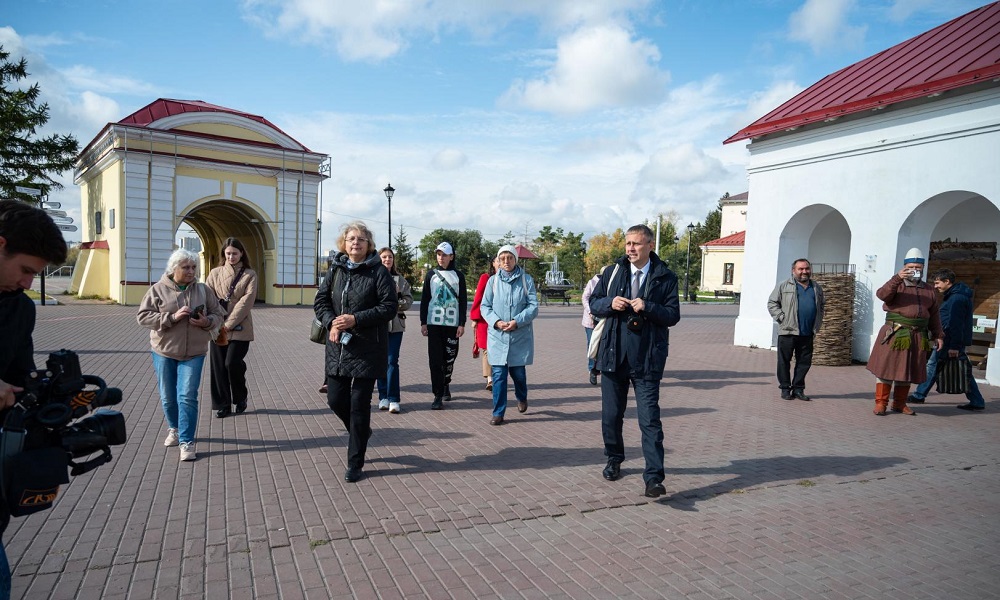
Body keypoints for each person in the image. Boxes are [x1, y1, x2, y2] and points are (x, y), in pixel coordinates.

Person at [0, 199, 68, 600]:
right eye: (26, 270)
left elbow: (20, 380)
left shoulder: (20, 309)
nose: (28, 283)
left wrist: (56, 402)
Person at [589, 224, 680, 498]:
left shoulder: (665, 277)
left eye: (636, 244)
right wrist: (609, 303)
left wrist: (648, 307)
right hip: (613, 356)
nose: (630, 248)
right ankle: (614, 459)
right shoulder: (612, 272)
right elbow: (593, 302)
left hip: (647, 359)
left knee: (650, 420)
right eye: (628, 243)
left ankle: (653, 478)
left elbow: (673, 315)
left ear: (650, 245)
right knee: (611, 416)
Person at [314, 222, 396, 482]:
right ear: (344, 243)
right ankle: (361, 432)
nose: (355, 243)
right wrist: (332, 322)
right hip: (338, 345)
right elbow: (321, 301)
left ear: (368, 244)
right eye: (351, 239)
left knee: (360, 404)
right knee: (336, 399)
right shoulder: (336, 269)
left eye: (361, 239)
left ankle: (355, 463)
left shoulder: (378, 272)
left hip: (368, 347)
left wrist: (355, 320)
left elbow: (389, 307)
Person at [137, 249, 225, 462]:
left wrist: (207, 322)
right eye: (186, 267)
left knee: (187, 395)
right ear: (173, 269)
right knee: (168, 396)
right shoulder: (157, 290)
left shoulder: (203, 290)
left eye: (194, 267)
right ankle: (174, 428)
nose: (191, 271)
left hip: (195, 352)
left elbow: (219, 314)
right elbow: (143, 317)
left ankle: (187, 441)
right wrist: (171, 317)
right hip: (164, 351)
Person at [866, 248, 944, 416]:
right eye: (911, 266)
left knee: (907, 370)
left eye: (918, 267)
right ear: (905, 267)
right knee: (887, 369)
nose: (915, 269)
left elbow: (935, 314)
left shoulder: (929, 289)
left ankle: (900, 404)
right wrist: (897, 278)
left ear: (923, 268)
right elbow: (882, 294)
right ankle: (881, 403)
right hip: (895, 333)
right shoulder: (897, 284)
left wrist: (938, 335)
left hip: (917, 335)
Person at [907, 269, 986, 411]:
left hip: (950, 341)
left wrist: (954, 346)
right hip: (948, 340)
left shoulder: (956, 299)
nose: (935, 286)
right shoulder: (955, 296)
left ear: (947, 281)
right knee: (938, 366)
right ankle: (920, 395)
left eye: (937, 283)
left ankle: (919, 395)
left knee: (954, 369)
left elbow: (956, 324)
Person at [481, 245, 539, 425]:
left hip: (519, 336)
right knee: (498, 375)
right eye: (502, 258)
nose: (506, 261)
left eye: (510, 258)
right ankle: (498, 412)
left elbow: (533, 306)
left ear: (515, 260)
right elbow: (485, 306)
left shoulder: (526, 280)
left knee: (518, 374)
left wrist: (517, 320)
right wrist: (496, 322)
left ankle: (522, 397)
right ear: (498, 260)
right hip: (498, 336)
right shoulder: (493, 281)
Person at [205, 237, 258, 418]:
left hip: (241, 326)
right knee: (218, 367)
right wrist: (217, 320)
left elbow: (246, 302)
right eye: (228, 253)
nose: (231, 256)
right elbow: (208, 297)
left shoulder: (249, 275)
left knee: (232, 363)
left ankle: (240, 396)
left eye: (235, 253)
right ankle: (223, 404)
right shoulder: (214, 273)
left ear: (241, 253)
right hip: (217, 326)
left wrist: (228, 324)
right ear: (224, 254)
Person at [767, 258, 825, 401]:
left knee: (804, 362)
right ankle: (785, 389)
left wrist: (817, 322)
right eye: (801, 269)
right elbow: (772, 303)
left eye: (807, 268)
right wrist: (781, 318)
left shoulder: (816, 287)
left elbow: (822, 305)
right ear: (794, 271)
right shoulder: (784, 285)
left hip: (807, 332)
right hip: (788, 331)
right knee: (784, 362)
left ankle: (798, 389)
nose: (804, 272)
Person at [419, 241, 467, 410]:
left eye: (445, 255)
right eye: (439, 254)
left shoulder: (458, 275)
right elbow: (425, 299)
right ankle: (437, 394)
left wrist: (462, 323)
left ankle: (446, 382)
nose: (441, 258)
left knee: (450, 357)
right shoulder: (431, 274)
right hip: (434, 322)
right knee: (435, 360)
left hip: (452, 324)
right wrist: (423, 322)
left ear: (451, 257)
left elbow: (462, 300)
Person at [375, 247, 413, 414]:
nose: (387, 260)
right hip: (378, 325)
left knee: (391, 361)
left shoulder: (400, 280)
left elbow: (408, 300)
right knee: (380, 361)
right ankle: (382, 396)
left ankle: (394, 399)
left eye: (390, 257)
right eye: (384, 257)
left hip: (396, 326)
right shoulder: (373, 277)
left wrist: (395, 302)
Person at [470, 257, 498, 391]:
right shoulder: (485, 278)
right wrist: (475, 318)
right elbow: (478, 297)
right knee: (487, 348)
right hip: (484, 319)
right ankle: (490, 379)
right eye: (498, 260)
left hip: (501, 320)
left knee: (498, 349)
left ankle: (497, 377)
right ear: (493, 263)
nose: (501, 262)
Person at [581, 266, 607, 386]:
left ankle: (601, 367)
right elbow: (585, 298)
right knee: (593, 343)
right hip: (591, 320)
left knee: (604, 344)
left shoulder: (610, 283)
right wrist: (590, 310)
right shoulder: (592, 283)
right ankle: (592, 369)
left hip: (604, 320)